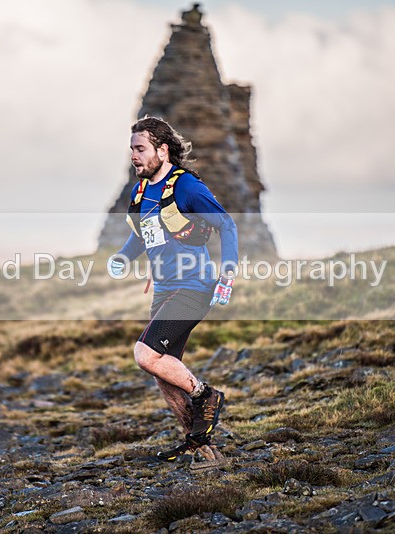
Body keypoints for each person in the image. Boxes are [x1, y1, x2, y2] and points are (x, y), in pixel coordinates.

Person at [109, 116, 238, 461]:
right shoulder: (141, 193)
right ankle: (202, 449)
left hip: (194, 287)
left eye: (140, 149)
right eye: (132, 149)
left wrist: (227, 273)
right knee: (163, 371)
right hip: (164, 291)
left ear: (162, 150)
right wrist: (122, 257)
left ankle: (205, 395)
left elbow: (227, 225)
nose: (134, 156)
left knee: (145, 354)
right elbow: (141, 238)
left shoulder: (186, 187)